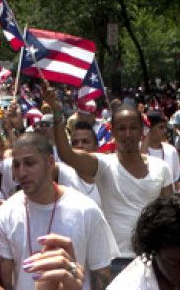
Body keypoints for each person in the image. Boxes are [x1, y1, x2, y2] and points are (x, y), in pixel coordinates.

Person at [0, 133, 117, 290]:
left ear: (50, 162)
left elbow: (102, 275)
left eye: (29, 163)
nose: (21, 172)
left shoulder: (86, 210)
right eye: (16, 165)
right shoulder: (3, 217)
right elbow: (7, 283)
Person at [49, 89, 173, 277]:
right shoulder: (104, 165)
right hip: (115, 263)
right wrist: (57, 113)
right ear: (113, 132)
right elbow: (67, 154)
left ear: (142, 131)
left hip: (153, 260)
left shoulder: (161, 168)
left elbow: (170, 216)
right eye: (121, 128)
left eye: (133, 127)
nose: (128, 133)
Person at [145, 108, 180, 183]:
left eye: (165, 127)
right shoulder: (139, 151)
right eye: (161, 128)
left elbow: (177, 179)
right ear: (149, 129)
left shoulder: (171, 150)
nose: (165, 131)